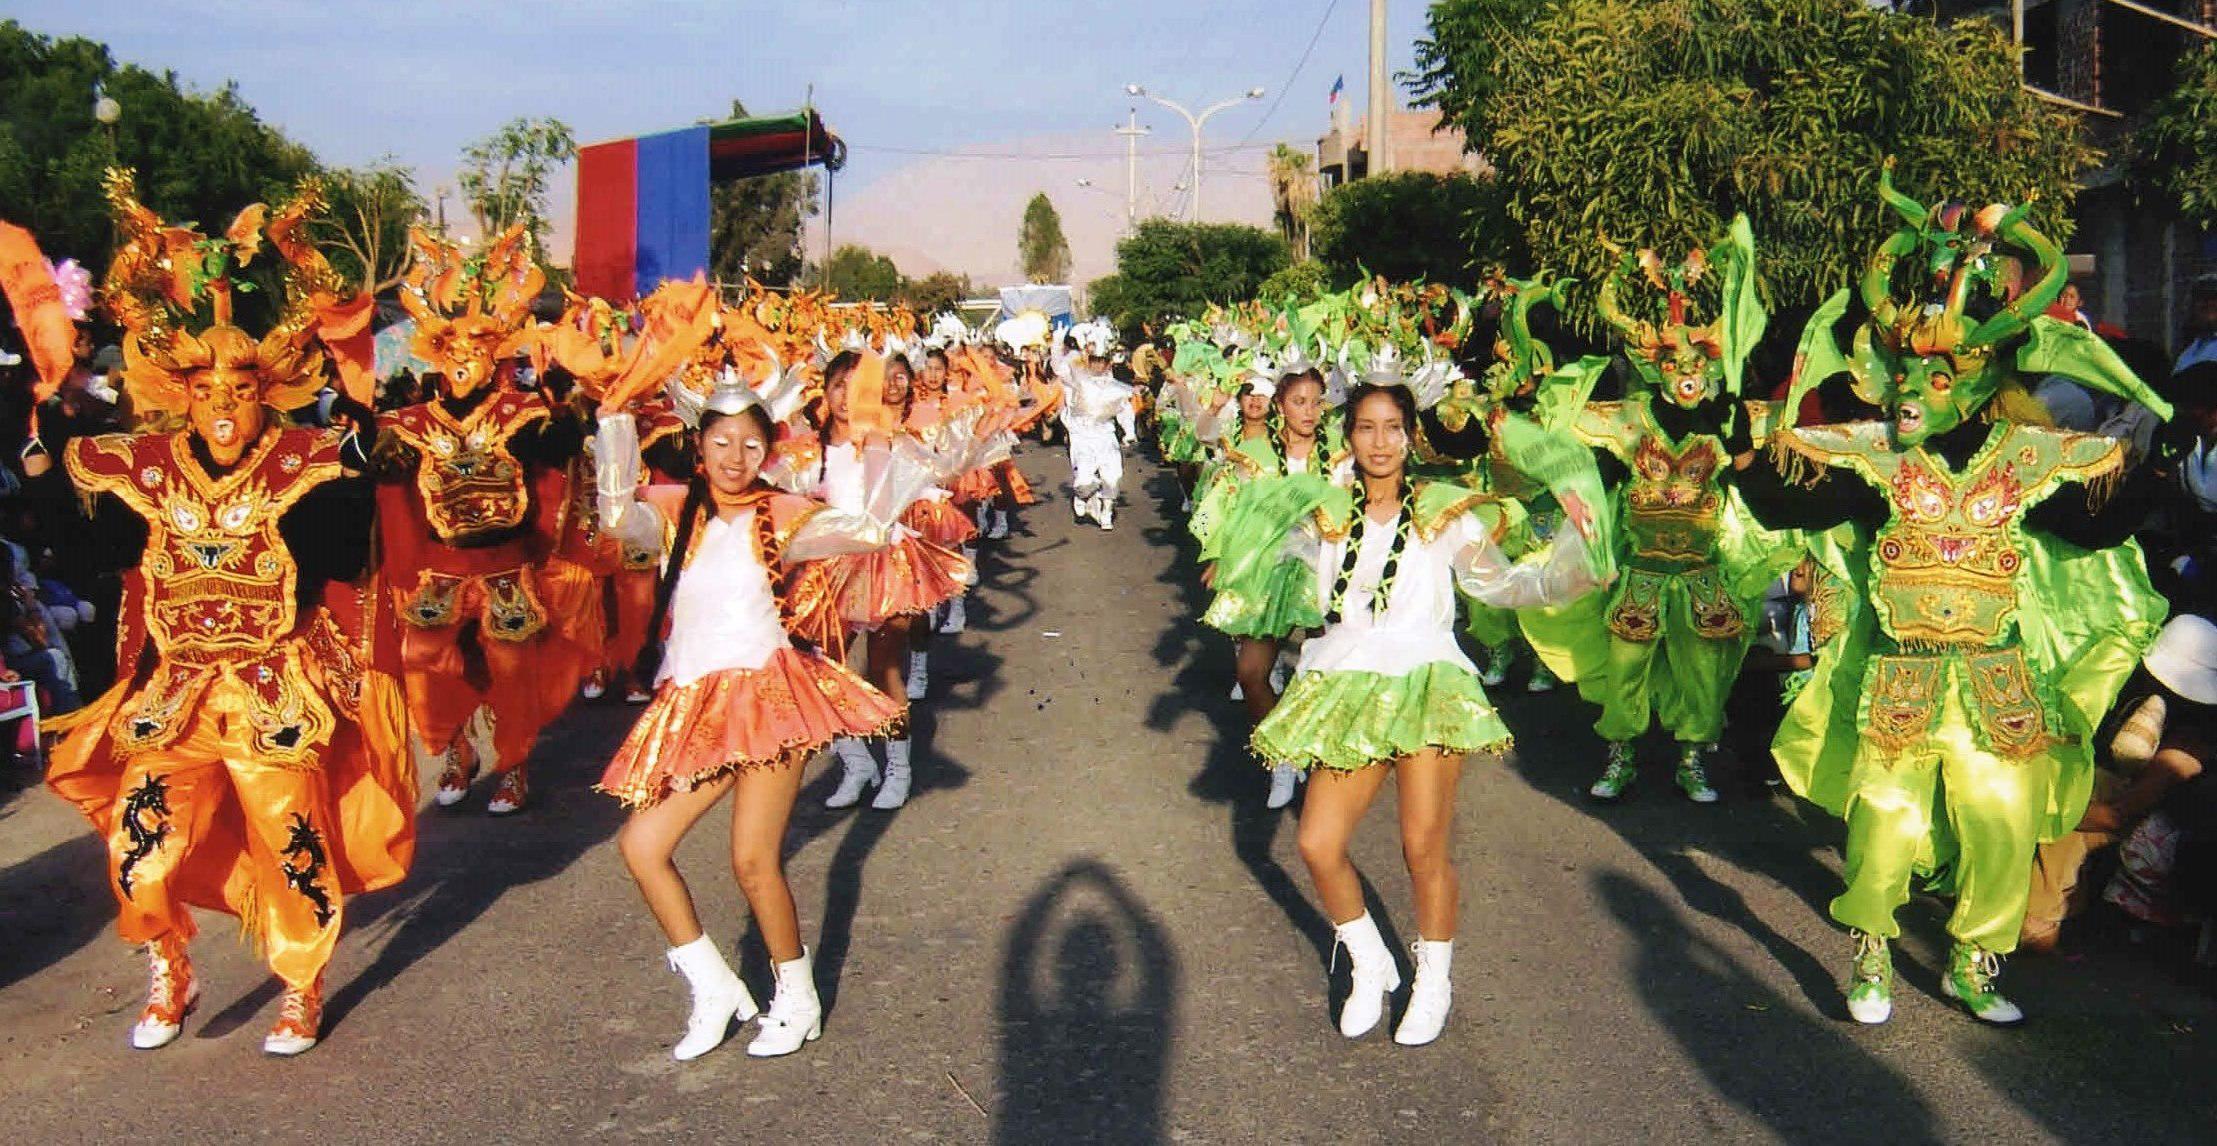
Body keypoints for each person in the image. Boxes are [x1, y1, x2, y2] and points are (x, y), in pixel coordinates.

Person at [1737, 168, 2172, 1025]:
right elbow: (1792, 505)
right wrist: (1745, 445)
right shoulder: (1878, 458)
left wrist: (2152, 461)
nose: (1910, 393)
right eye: (1905, 374)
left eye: (1935, 378)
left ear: (1979, 379)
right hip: (1899, 681)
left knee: (2000, 825)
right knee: (1881, 824)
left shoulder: (2025, 456)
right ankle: (1870, 952)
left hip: (1996, 687)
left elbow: (2090, 528)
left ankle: (1973, 962)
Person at [27, 169, 414, 1056]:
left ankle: (300, 985)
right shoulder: (148, 464)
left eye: (240, 390)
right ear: (182, 394)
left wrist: (358, 458)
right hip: (177, 691)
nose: (224, 405)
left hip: (275, 686)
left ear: (266, 392)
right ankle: (170, 965)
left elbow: (344, 554)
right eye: (206, 391)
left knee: (292, 841)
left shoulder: (302, 461)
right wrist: (42, 461)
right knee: (139, 844)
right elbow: (95, 553)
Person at [1237, 381, 1604, 1045]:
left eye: (1391, 427)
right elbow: (1279, 576)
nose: (1379, 442)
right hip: (1346, 684)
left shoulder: (1443, 510)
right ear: (1348, 437)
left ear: (1409, 436)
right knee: (1317, 842)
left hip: (1427, 681)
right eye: (1365, 428)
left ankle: (1433, 982)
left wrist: (1575, 564)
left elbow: (1503, 583)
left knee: (1422, 846)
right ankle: (1369, 962)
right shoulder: (1323, 512)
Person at [592, 367, 907, 1061]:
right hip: (697, 706)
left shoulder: (782, 513)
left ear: (769, 450)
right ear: (698, 444)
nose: (735, 458)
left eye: (750, 445)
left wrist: (873, 438)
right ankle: (714, 988)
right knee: (642, 846)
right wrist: (613, 421)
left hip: (768, 702)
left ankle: (797, 998)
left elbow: (867, 529)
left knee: (753, 860)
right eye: (721, 443)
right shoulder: (672, 509)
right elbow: (615, 519)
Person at [371, 225, 595, 816]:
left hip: (506, 568)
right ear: (437, 358)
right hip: (441, 569)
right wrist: (367, 443)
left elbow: (559, 455)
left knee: (512, 668)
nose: (464, 363)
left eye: (475, 352)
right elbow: (389, 485)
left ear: (492, 355)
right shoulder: (412, 422)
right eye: (453, 353)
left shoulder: (519, 413)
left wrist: (565, 411)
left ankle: (513, 764)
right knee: (425, 660)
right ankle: (457, 747)